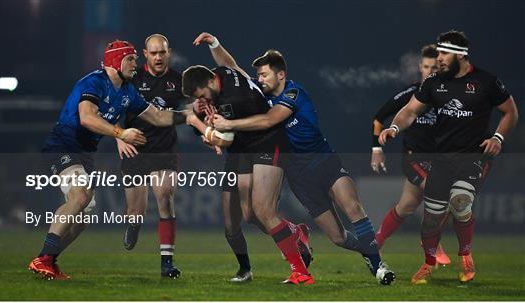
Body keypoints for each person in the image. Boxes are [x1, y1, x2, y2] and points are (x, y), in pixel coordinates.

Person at [204, 33, 396, 285]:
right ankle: (369, 253)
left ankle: (378, 265)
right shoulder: (260, 95)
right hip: (297, 174)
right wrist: (215, 44)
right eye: (258, 76)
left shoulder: (293, 93)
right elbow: (233, 68)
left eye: (264, 75)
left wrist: (229, 124)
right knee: (337, 238)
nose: (259, 79)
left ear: (280, 75)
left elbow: (271, 119)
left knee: (353, 207)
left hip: (323, 160)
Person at [28, 40, 187, 280]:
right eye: (131, 59)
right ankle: (45, 258)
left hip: (85, 153)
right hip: (63, 146)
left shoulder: (127, 90)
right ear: (116, 61)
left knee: (84, 218)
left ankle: (47, 258)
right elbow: (87, 118)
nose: (136, 63)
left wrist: (190, 116)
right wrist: (121, 133)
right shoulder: (94, 82)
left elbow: (158, 117)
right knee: (80, 196)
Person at [379, 30, 519, 284]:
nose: (439, 58)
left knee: (460, 201)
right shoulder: (434, 82)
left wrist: (498, 138)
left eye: (444, 53)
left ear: (461, 55)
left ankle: (465, 254)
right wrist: (395, 128)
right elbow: (409, 111)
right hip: (440, 159)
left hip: (473, 157)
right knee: (432, 218)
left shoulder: (486, 82)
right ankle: (428, 263)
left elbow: (510, 112)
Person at [183, 39, 314, 285]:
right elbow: (229, 63)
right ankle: (293, 233)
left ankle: (301, 272)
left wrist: (201, 125)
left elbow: (225, 139)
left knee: (264, 210)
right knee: (246, 216)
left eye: (202, 96)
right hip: (243, 149)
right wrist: (215, 44)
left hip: (267, 143)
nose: (203, 102)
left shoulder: (234, 99)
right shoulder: (221, 74)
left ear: (209, 82)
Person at [371, 44, 450, 266]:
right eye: (426, 67)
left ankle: (376, 241)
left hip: (440, 160)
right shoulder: (411, 94)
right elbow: (379, 118)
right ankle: (432, 242)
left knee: (406, 205)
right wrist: (377, 149)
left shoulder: (449, 94)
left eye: (434, 67)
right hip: (414, 158)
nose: (430, 71)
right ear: (420, 68)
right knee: (441, 193)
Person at [116, 34, 184, 278]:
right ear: (145, 53)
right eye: (153, 53)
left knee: (165, 198)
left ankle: (167, 262)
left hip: (165, 150)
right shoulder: (133, 79)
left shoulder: (179, 81)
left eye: (162, 53)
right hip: (135, 149)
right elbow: (112, 108)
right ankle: (133, 224)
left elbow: (195, 106)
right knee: (136, 210)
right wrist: (119, 137)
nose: (158, 57)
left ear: (169, 53)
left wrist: (207, 131)